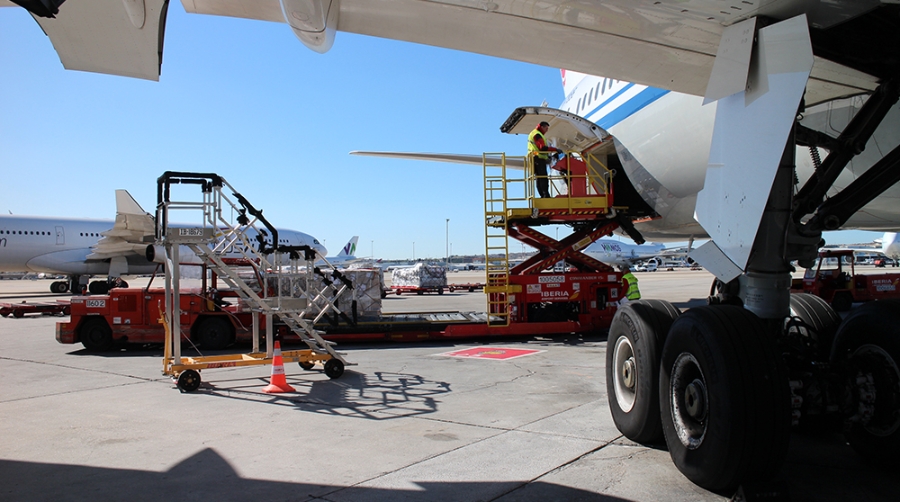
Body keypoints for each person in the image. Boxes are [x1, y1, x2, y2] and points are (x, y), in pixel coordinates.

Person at [528, 121, 563, 198]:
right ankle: (545, 195)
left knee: (539, 178)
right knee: (543, 178)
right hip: (538, 159)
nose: (547, 130)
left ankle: (543, 195)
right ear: (542, 127)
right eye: (546, 128)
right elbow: (542, 148)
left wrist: (548, 157)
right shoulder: (537, 134)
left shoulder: (535, 133)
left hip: (536, 158)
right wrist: (555, 150)